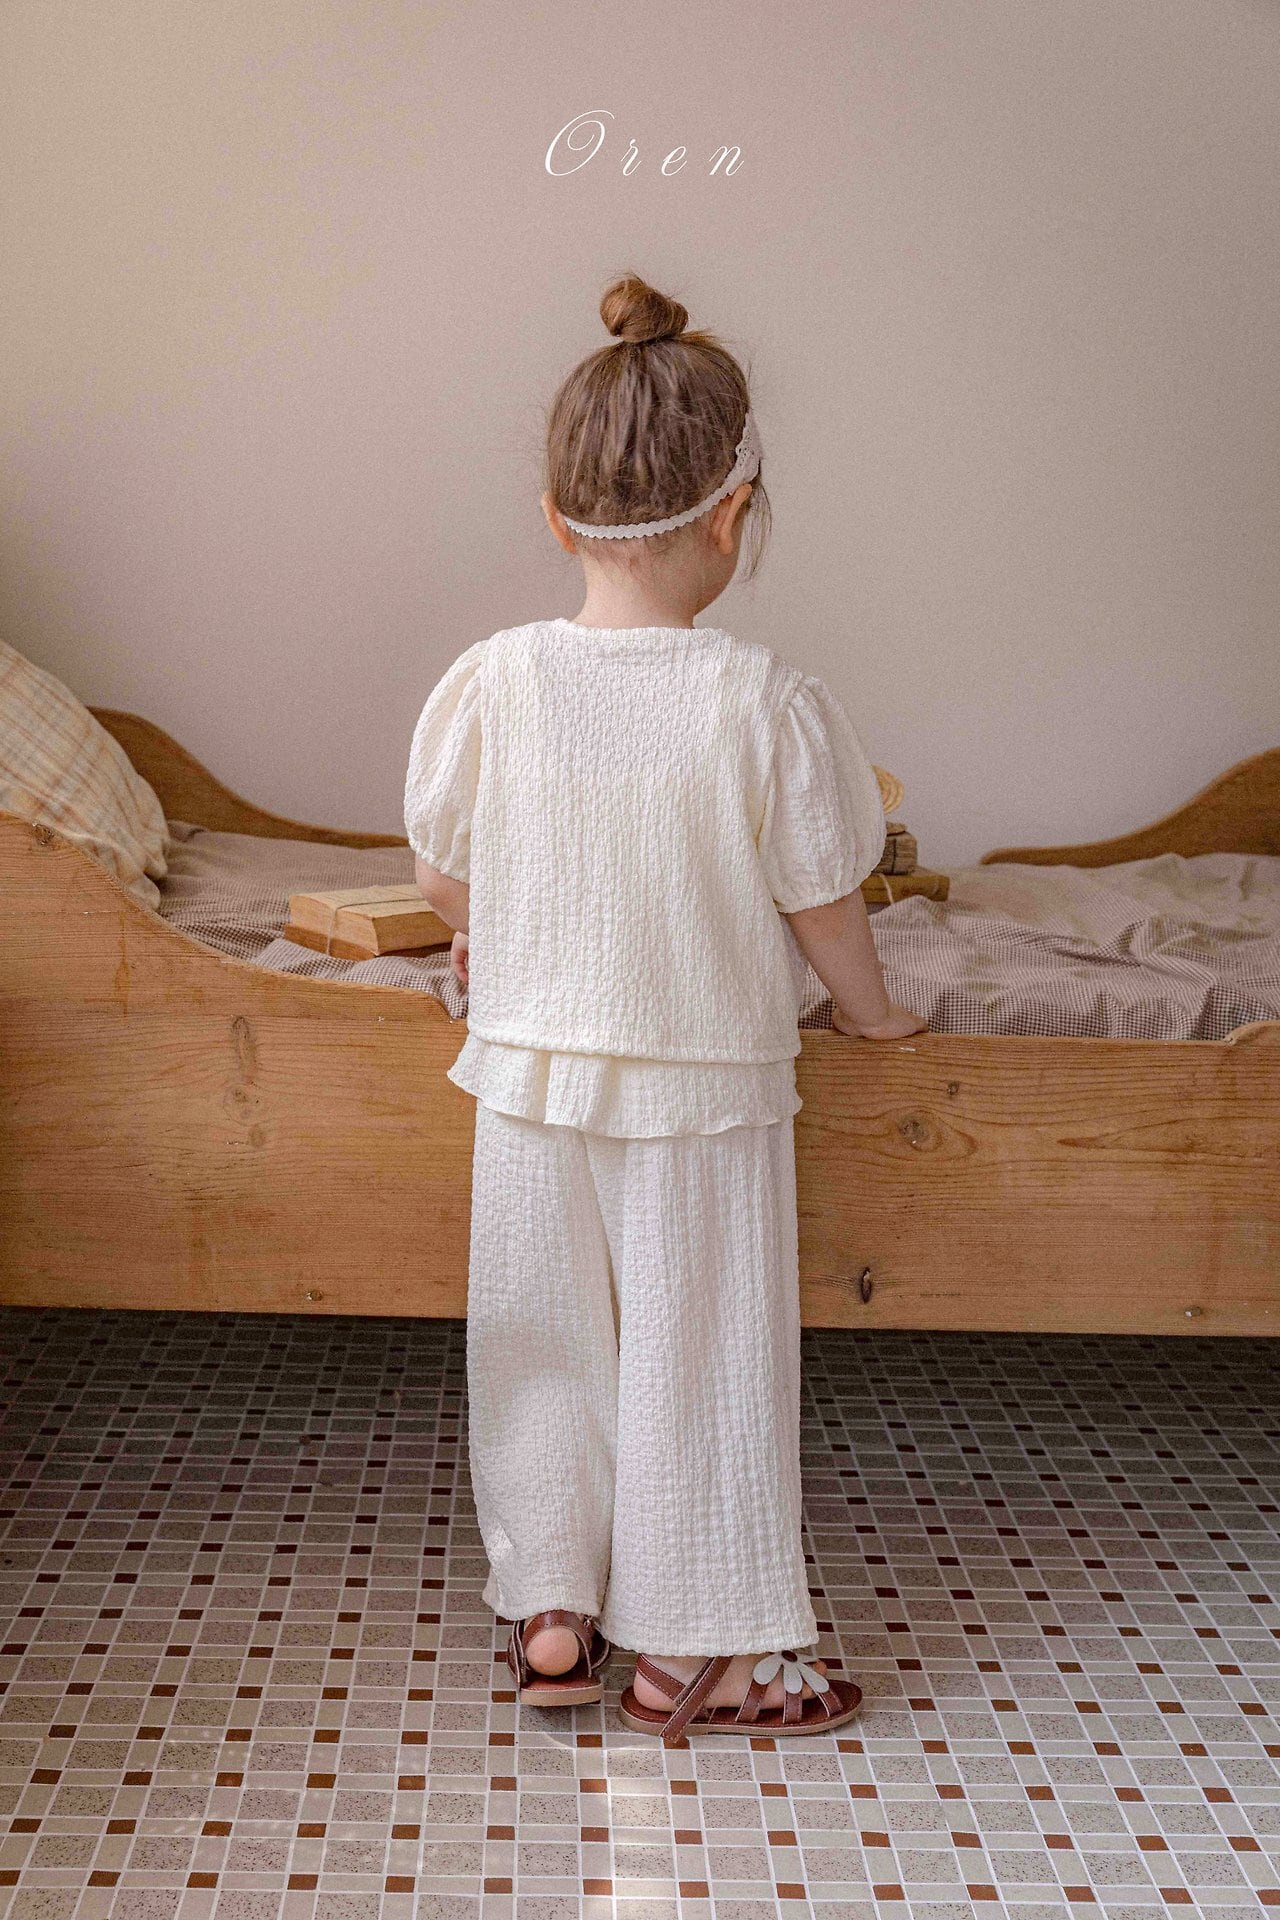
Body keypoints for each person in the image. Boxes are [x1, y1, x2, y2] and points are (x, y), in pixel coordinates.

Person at [404, 271, 928, 1747]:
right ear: (734, 516)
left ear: (557, 519)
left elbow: (444, 873)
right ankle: (697, 1653)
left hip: (529, 1076)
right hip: (704, 1084)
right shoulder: (766, 701)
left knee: (539, 1337)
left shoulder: (492, 682)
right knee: (703, 1350)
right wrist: (875, 1019)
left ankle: (552, 1610)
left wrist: (498, 936)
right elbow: (822, 898)